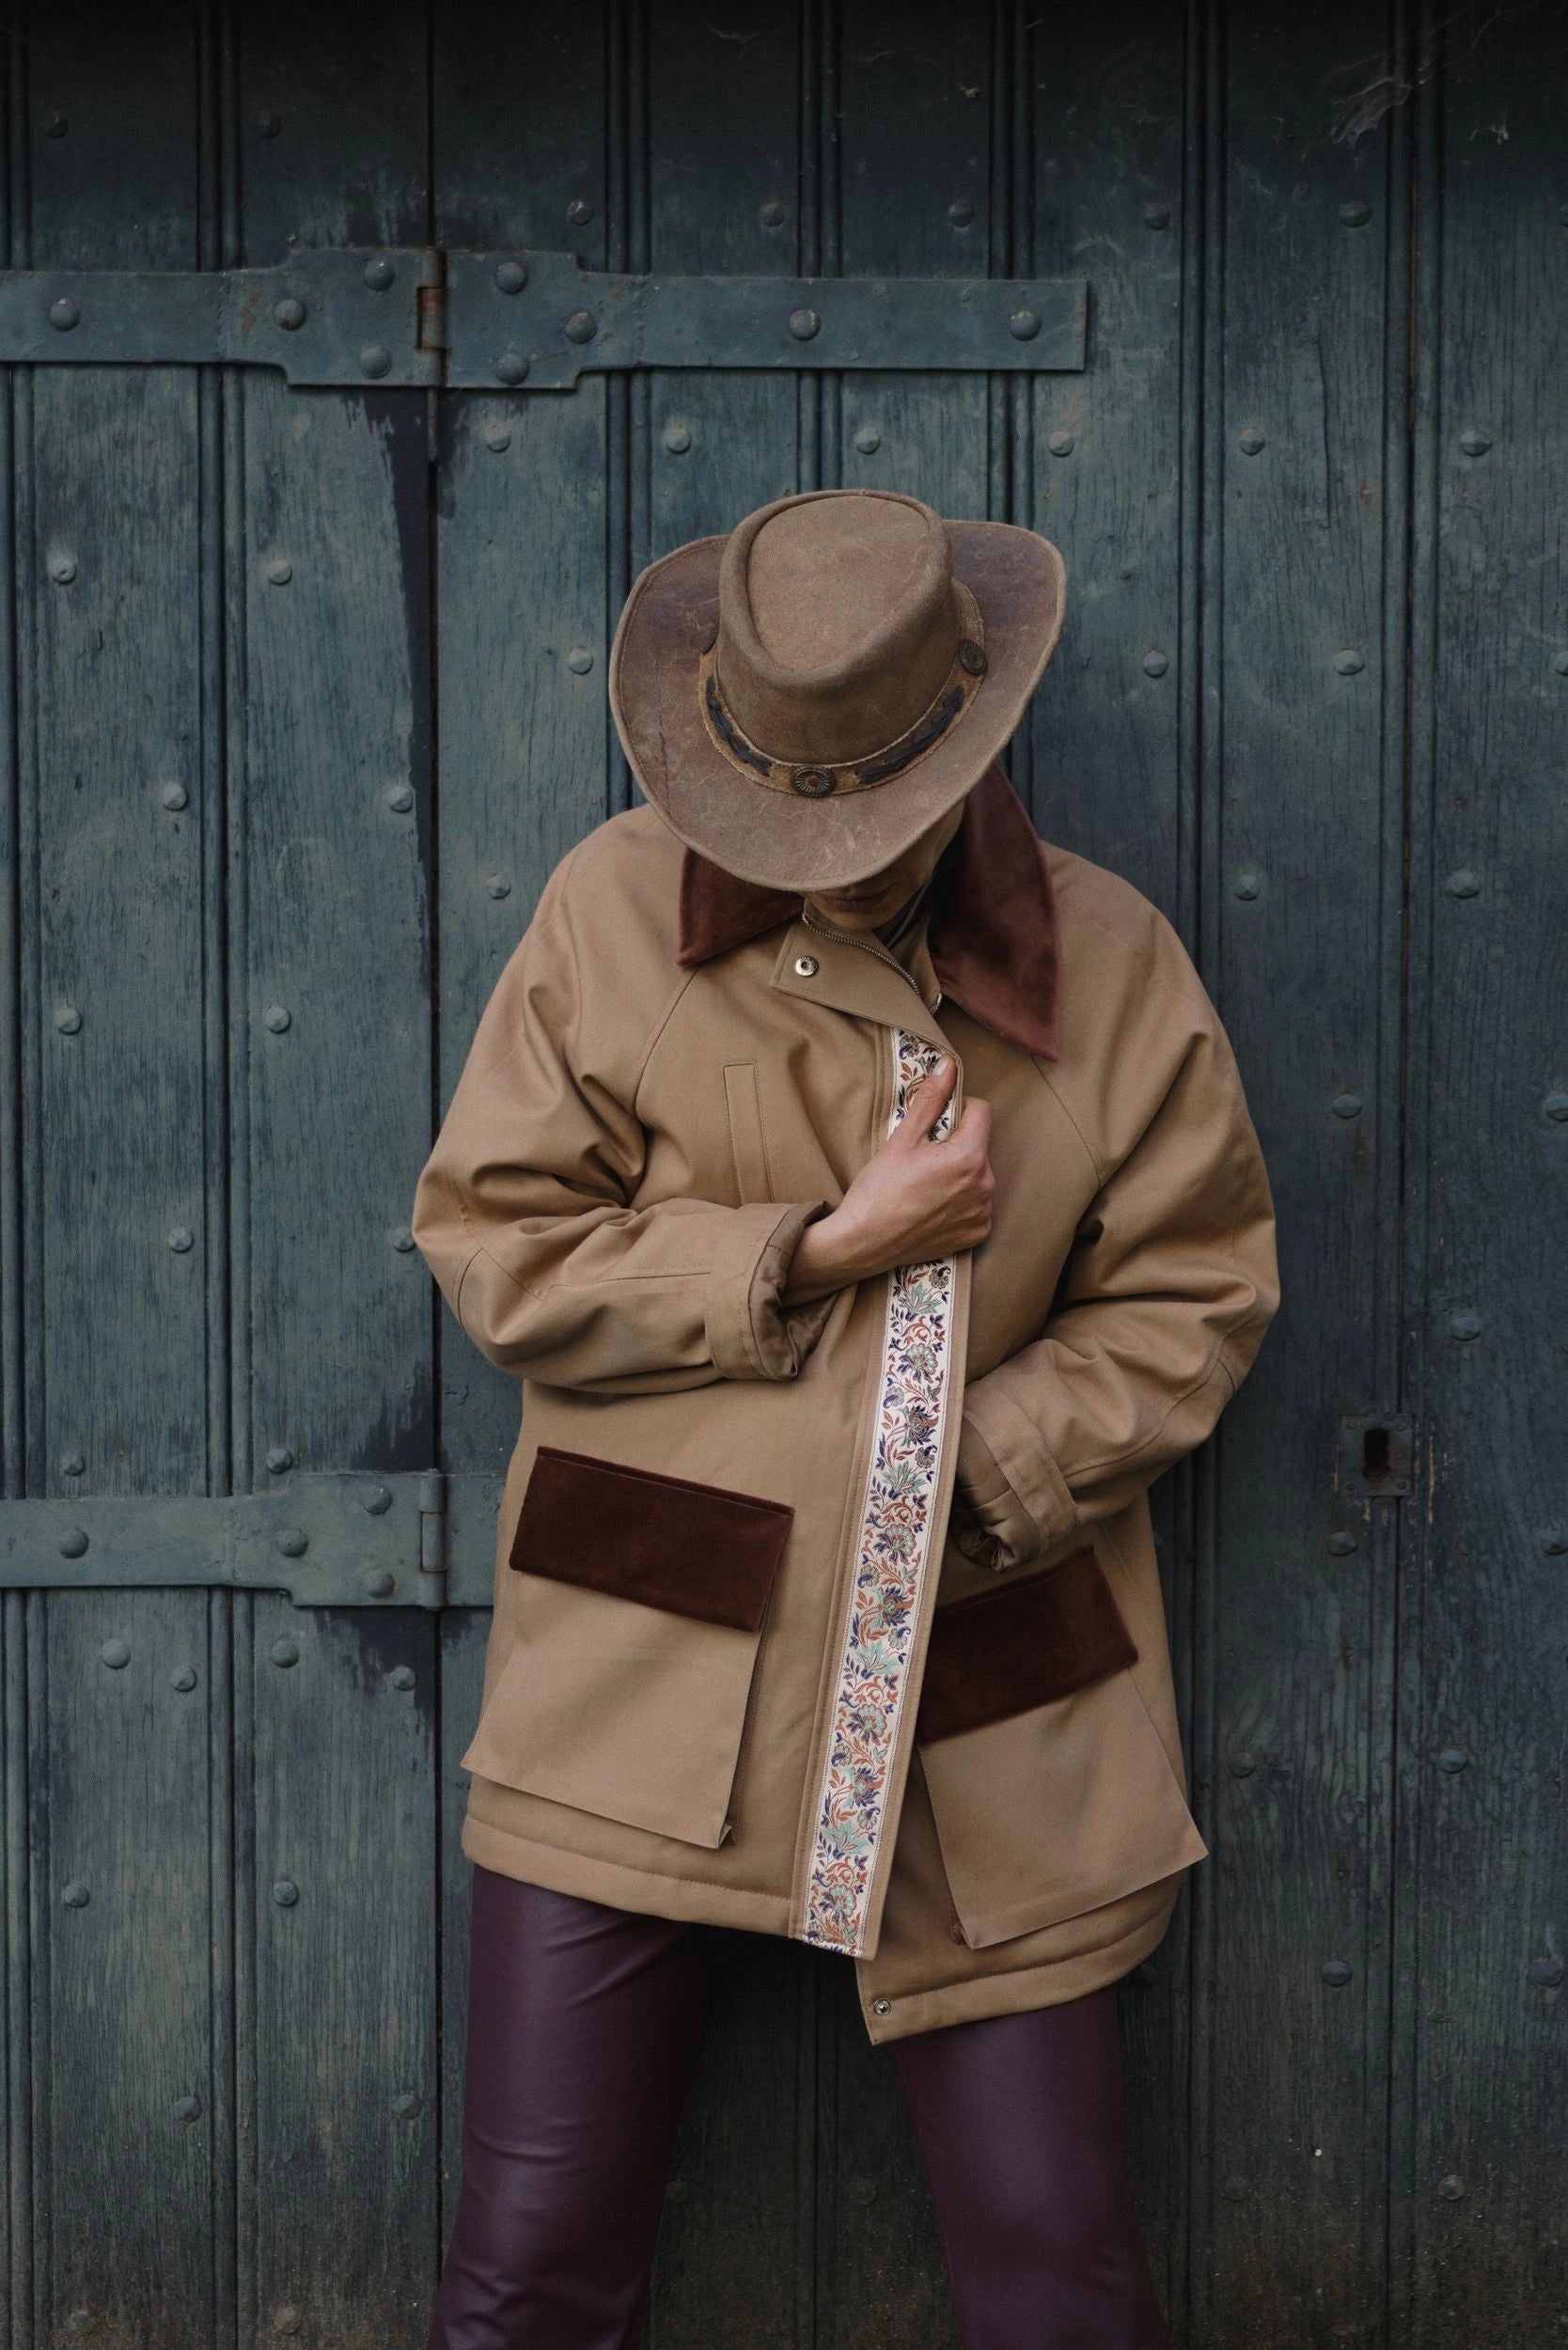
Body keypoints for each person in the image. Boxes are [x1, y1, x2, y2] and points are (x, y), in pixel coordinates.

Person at [413, 488, 1279, 2348]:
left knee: (1062, 2279)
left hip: (990, 1684)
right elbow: (497, 1245)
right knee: (531, 2271)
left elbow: (1197, 1292)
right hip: (638, 1666)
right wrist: (817, 1248)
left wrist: (957, 1473)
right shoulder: (607, 913)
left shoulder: (1113, 965)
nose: (833, 866)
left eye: (876, 820)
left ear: (966, 744)